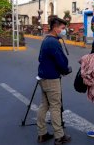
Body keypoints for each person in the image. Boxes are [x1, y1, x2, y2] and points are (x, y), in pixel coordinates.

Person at [37, 17, 71, 145]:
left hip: (43, 77)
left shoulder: (46, 40)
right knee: (55, 107)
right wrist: (65, 69)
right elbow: (61, 61)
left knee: (44, 105)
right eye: (62, 28)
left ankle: (42, 134)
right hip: (52, 79)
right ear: (55, 28)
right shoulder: (53, 42)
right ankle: (59, 136)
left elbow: (40, 58)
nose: (64, 31)